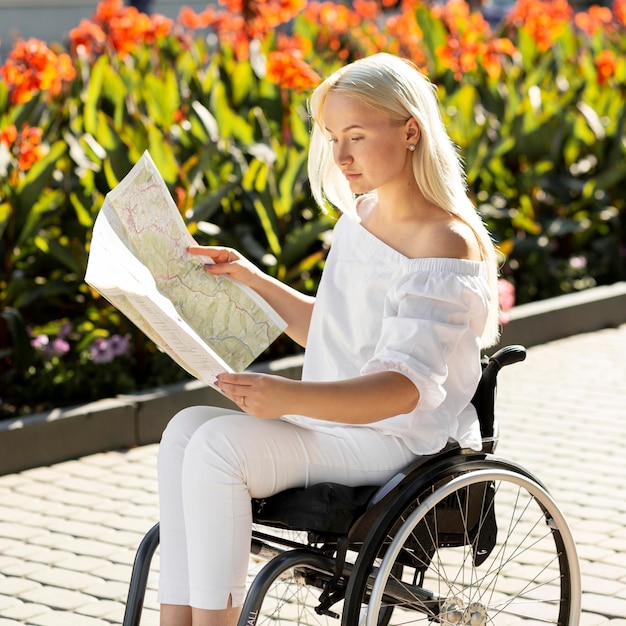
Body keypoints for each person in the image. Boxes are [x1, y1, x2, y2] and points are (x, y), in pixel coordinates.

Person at [157, 52, 501, 626]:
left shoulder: (445, 242)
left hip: (393, 439)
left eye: (358, 136)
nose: (341, 156)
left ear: (410, 131)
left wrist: (287, 397)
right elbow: (332, 328)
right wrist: (249, 276)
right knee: (184, 430)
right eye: (333, 136)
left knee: (219, 447)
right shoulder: (360, 216)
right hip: (336, 424)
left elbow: (402, 389)